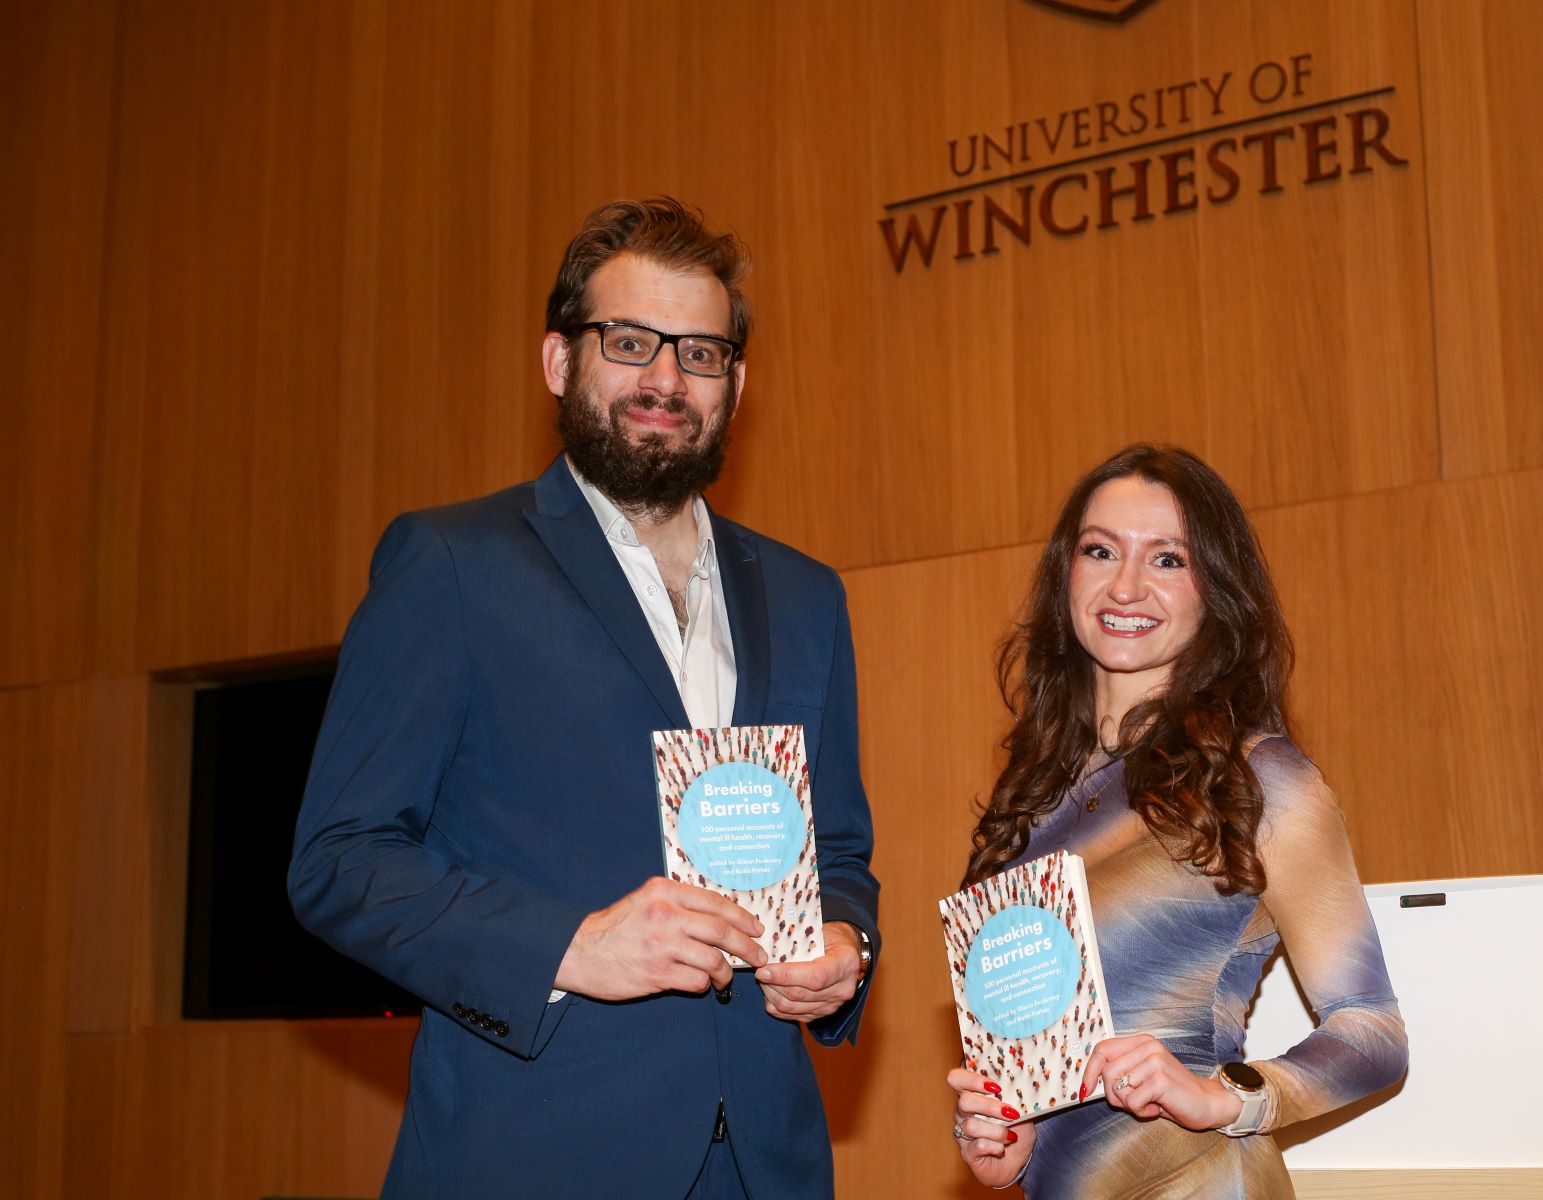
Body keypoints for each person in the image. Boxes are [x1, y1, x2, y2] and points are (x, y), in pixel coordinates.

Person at [289, 198, 879, 1200]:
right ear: (560, 363)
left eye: (699, 352)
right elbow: (340, 865)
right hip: (533, 1154)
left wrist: (845, 945)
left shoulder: (807, 597)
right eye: (630, 341)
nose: (665, 379)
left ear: (736, 383)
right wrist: (573, 947)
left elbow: (841, 855)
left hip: (767, 1163)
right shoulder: (451, 565)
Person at [947, 444, 1406, 1198]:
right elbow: (1047, 1065)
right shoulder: (1030, 799)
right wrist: (1008, 1138)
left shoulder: (1259, 777)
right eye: (1100, 551)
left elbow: (1373, 1031)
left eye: (1167, 560)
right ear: (1067, 572)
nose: (1125, 585)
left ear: (1216, 591)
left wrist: (1227, 1096)